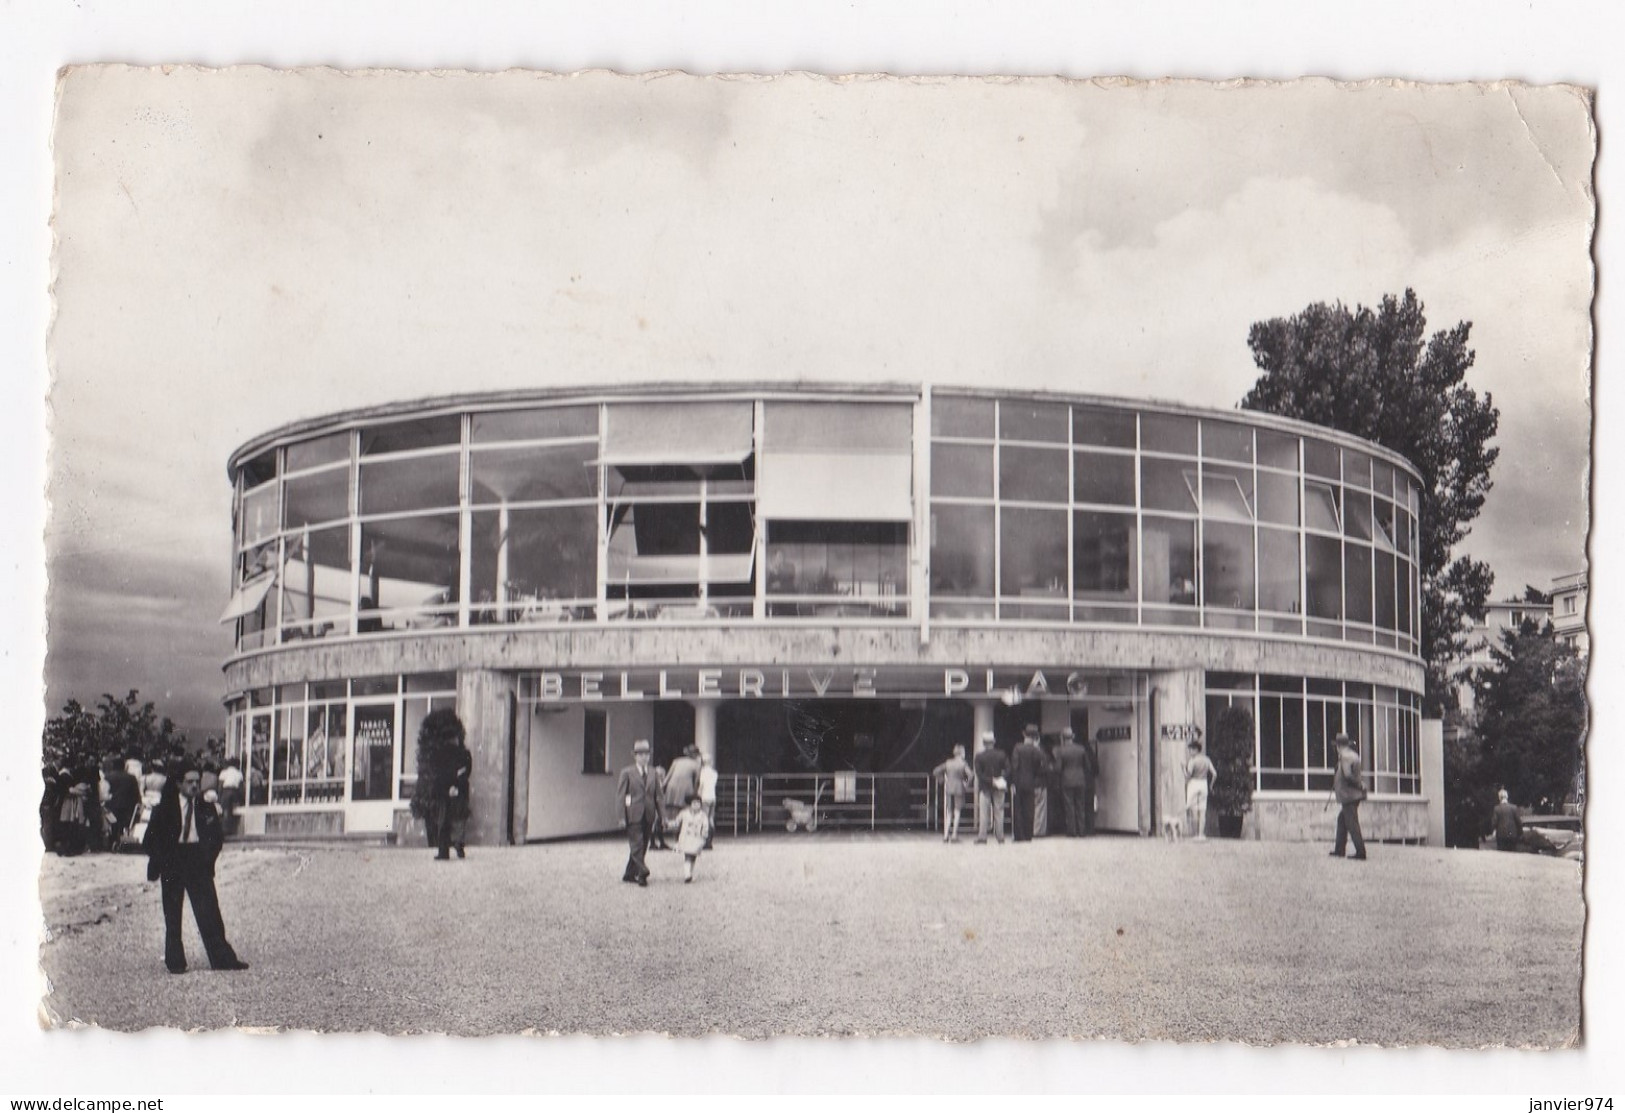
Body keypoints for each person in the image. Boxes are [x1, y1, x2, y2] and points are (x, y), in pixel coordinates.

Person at [141, 763, 249, 974]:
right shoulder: (164, 809)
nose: (194, 786)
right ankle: (175, 961)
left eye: (197, 782)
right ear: (179, 783)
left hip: (197, 860)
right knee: (172, 913)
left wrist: (207, 859)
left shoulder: (205, 807)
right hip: (173, 860)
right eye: (189, 782)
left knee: (209, 911)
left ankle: (222, 958)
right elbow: (149, 840)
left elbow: (216, 837)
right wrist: (163, 860)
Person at [616, 738, 662, 887]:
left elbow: (659, 796)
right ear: (634, 756)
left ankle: (629, 874)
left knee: (643, 845)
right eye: (640, 754)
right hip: (633, 814)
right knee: (637, 844)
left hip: (649, 814)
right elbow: (621, 796)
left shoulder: (654, 773)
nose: (644, 757)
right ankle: (642, 872)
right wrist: (621, 817)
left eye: (646, 754)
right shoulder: (627, 772)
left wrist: (663, 816)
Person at [432, 729, 474, 860]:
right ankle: (455, 845)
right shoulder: (462, 753)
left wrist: (451, 785)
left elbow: (461, 772)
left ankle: (448, 849)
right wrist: (454, 783)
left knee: (448, 819)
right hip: (456, 789)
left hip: (451, 789)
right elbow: (463, 772)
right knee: (457, 818)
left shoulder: (446, 753)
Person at [1330, 733, 1367, 860]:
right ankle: (1339, 849)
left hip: (1349, 795)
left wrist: (1359, 785)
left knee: (1352, 823)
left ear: (1338, 746)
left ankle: (1361, 852)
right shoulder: (1353, 755)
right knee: (1342, 820)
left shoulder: (1345, 757)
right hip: (1352, 795)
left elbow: (1348, 774)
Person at [1009, 724, 1049, 843]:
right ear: (1035, 737)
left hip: (1019, 782)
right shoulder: (1036, 751)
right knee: (1029, 809)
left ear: (1025, 735)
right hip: (1031, 782)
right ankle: (1028, 835)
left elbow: (1014, 766)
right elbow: (1043, 767)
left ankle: (1019, 835)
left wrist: (1013, 782)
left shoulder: (1017, 748)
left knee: (1018, 809)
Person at [972, 731, 1010, 844]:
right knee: (999, 811)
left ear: (984, 743)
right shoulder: (1002, 754)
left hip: (985, 787)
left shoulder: (979, 756)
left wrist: (990, 780)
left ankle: (982, 837)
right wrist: (1000, 778)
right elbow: (1008, 769)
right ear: (994, 742)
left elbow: (979, 774)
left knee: (984, 813)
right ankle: (1000, 836)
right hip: (999, 786)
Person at [931, 744, 973, 843]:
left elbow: (936, 771)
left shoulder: (948, 762)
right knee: (957, 812)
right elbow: (970, 775)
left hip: (949, 788)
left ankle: (945, 835)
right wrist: (966, 784)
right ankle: (954, 835)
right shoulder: (963, 764)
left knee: (949, 812)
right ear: (962, 753)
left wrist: (943, 780)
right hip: (959, 788)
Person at [1054, 728, 1091, 837]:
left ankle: (1072, 831)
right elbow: (1087, 766)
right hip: (1080, 779)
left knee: (1069, 806)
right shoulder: (1081, 749)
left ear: (1063, 738)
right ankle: (1082, 831)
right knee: (1080, 805)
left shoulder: (1061, 750)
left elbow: (1058, 768)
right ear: (1073, 737)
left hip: (1067, 780)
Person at [1182, 738, 1217, 841]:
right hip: (1204, 784)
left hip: (1194, 784)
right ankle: (1201, 834)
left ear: (1196, 750)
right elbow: (1214, 774)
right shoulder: (1207, 759)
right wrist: (1211, 785)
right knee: (1202, 810)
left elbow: (1187, 776)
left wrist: (1183, 767)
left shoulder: (1193, 761)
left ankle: (1196, 834)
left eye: (1191, 750)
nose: (1190, 752)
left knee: (1193, 809)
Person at [103, 757, 141, 849]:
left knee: (113, 822)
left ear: (113, 766)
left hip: (112, 805)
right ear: (124, 766)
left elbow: (105, 791)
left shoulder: (108, 776)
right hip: (127, 806)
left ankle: (112, 840)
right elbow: (136, 793)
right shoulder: (131, 778)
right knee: (124, 822)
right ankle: (119, 840)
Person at [672, 795, 711, 883]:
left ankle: (690, 873)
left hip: (697, 838)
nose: (696, 805)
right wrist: (669, 824)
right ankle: (687, 874)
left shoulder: (703, 815)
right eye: (694, 803)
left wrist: (705, 834)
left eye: (698, 803)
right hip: (686, 837)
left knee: (693, 856)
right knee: (688, 855)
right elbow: (677, 821)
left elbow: (706, 826)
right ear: (690, 804)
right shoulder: (684, 813)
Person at [697, 751, 720, 850]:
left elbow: (701, 786)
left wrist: (697, 796)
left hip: (704, 797)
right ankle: (710, 841)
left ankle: (706, 842)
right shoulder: (714, 773)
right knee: (711, 819)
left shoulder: (702, 772)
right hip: (712, 797)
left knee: (704, 819)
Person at [217, 757, 244, 832]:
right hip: (235, 792)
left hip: (226, 791)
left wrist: (219, 797)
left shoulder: (224, 772)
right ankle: (232, 829)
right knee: (233, 811)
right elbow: (241, 787)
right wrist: (241, 798)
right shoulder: (239, 773)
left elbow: (220, 785)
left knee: (225, 810)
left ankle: (225, 829)